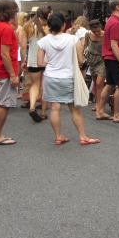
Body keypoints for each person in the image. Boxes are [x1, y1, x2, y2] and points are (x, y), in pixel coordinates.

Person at [37, 12, 99, 146]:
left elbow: (40, 63)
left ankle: (59, 136)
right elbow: (81, 60)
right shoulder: (72, 39)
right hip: (68, 76)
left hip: (51, 77)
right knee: (74, 109)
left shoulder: (43, 41)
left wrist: (52, 64)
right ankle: (83, 137)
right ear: (64, 25)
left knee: (55, 108)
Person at [95, 0, 119, 123]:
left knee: (110, 84)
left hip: (109, 57)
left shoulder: (113, 20)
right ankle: (117, 114)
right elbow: (114, 45)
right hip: (115, 57)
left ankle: (100, 110)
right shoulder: (115, 22)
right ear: (118, 7)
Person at [0, 0, 20, 146]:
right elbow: (5, 54)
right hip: (4, 70)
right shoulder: (6, 28)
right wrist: (12, 74)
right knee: (4, 104)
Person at [21, 5, 51, 122]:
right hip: (47, 60)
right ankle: (43, 112)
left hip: (33, 60)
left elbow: (23, 46)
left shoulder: (27, 26)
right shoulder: (50, 26)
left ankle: (32, 107)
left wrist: (23, 60)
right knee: (45, 86)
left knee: (35, 85)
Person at [83, 20, 105, 112]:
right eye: (94, 31)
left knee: (100, 83)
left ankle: (100, 105)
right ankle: (97, 103)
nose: (96, 32)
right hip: (92, 61)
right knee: (95, 83)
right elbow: (85, 45)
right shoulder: (88, 35)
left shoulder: (105, 34)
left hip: (102, 60)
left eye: (98, 30)